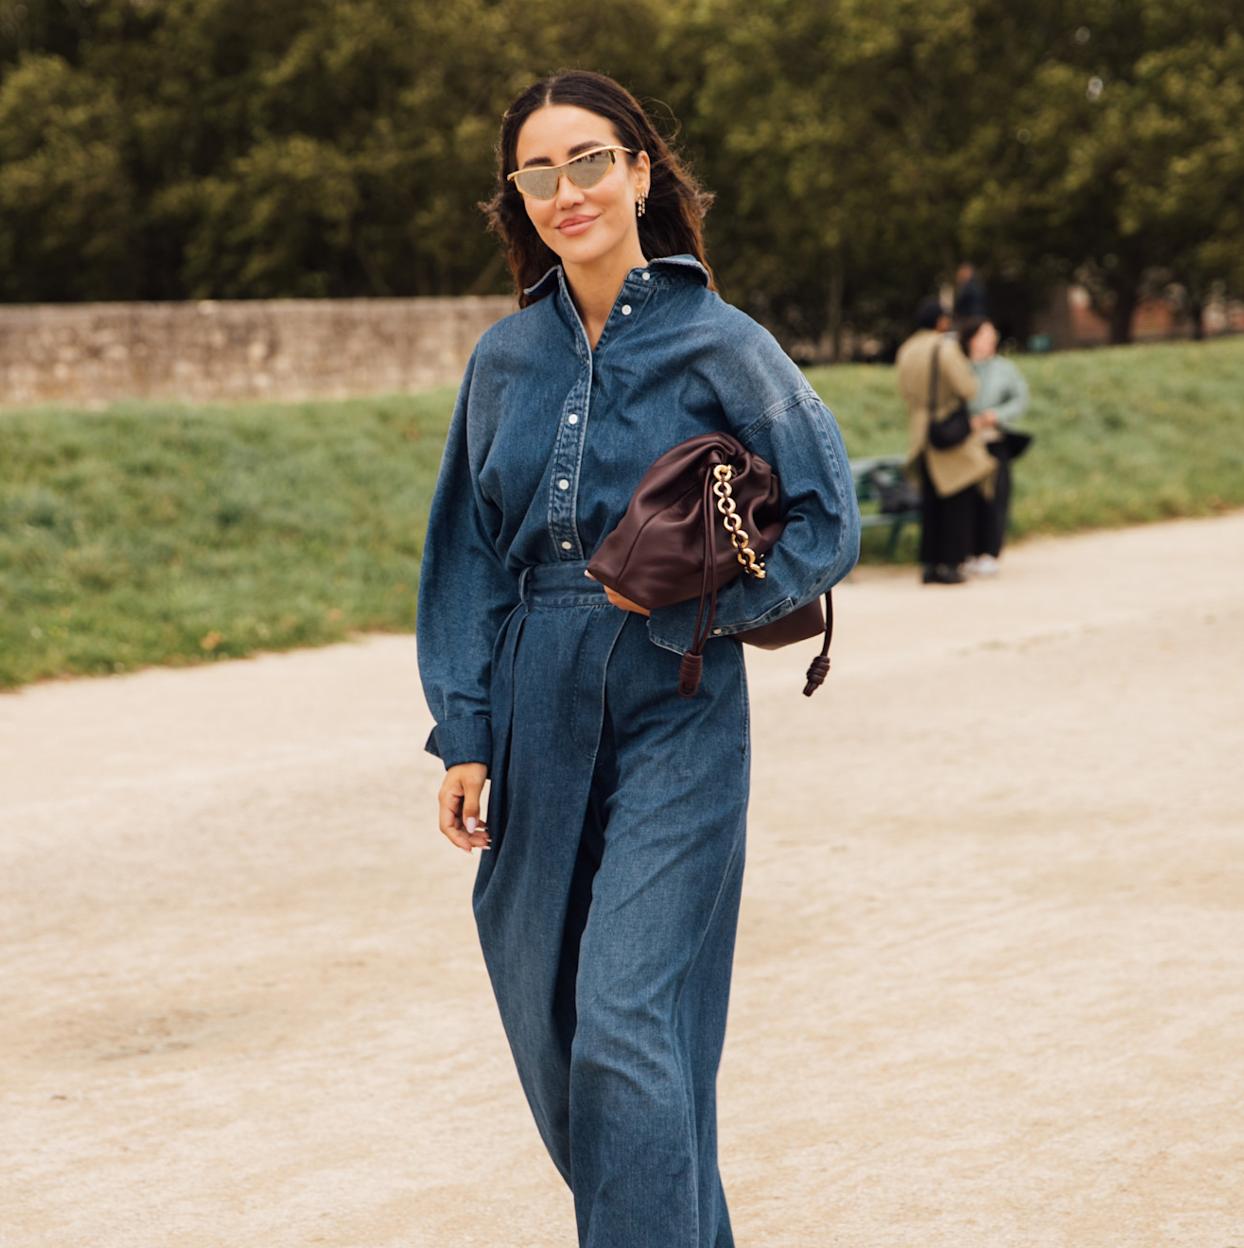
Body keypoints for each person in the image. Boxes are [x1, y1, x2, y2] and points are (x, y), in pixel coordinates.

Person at [416, 70, 860, 1248]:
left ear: (639, 172)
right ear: (516, 195)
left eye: (590, 161)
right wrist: (463, 731)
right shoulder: (502, 360)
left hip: (675, 695)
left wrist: (703, 605)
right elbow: (463, 556)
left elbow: (827, 518)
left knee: (625, 1018)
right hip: (528, 701)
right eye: (538, 172)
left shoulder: (723, 342)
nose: (567, 191)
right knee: (555, 1026)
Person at [896, 297, 998, 584]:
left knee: (930, 503)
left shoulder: (907, 349)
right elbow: (967, 388)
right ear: (941, 321)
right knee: (956, 500)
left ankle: (929, 564)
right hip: (946, 430)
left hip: (919, 430)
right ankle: (951, 563)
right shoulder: (945, 347)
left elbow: (903, 389)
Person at [960, 317, 1031, 575]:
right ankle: (967, 551)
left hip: (994, 439)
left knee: (996, 498)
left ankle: (990, 552)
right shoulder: (960, 367)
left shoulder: (1004, 368)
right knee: (970, 499)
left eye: (992, 335)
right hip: (966, 444)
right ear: (971, 338)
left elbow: (1020, 398)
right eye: (984, 335)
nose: (990, 341)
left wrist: (996, 415)